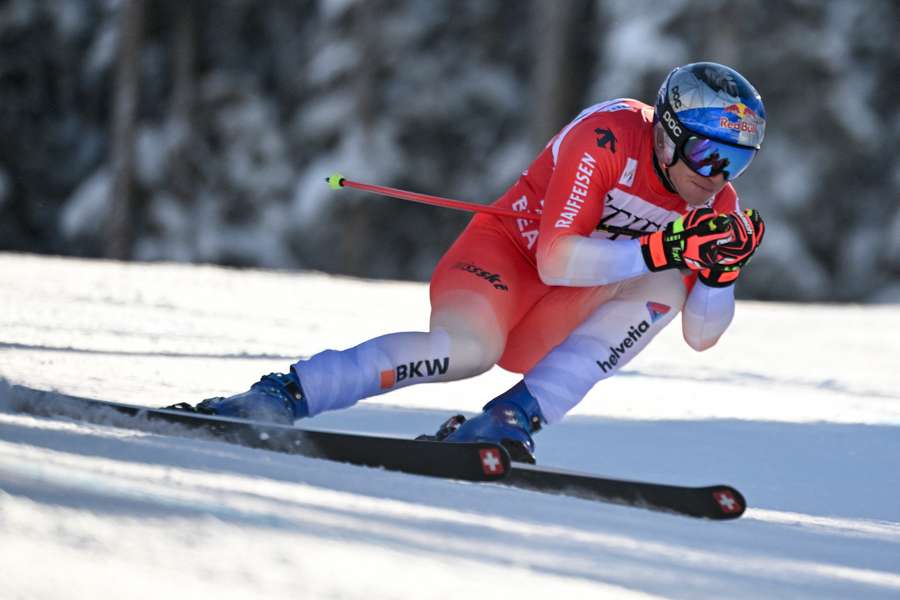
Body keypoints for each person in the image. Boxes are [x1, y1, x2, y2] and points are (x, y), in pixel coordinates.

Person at [175, 61, 767, 463]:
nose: (714, 177)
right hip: (504, 263)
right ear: (666, 133)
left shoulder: (717, 203)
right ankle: (285, 394)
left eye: (736, 163)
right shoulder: (609, 135)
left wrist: (719, 275)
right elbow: (555, 258)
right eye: (708, 153)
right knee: (464, 353)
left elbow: (701, 336)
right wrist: (659, 246)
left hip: (557, 316)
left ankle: (512, 419)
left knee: (669, 279)